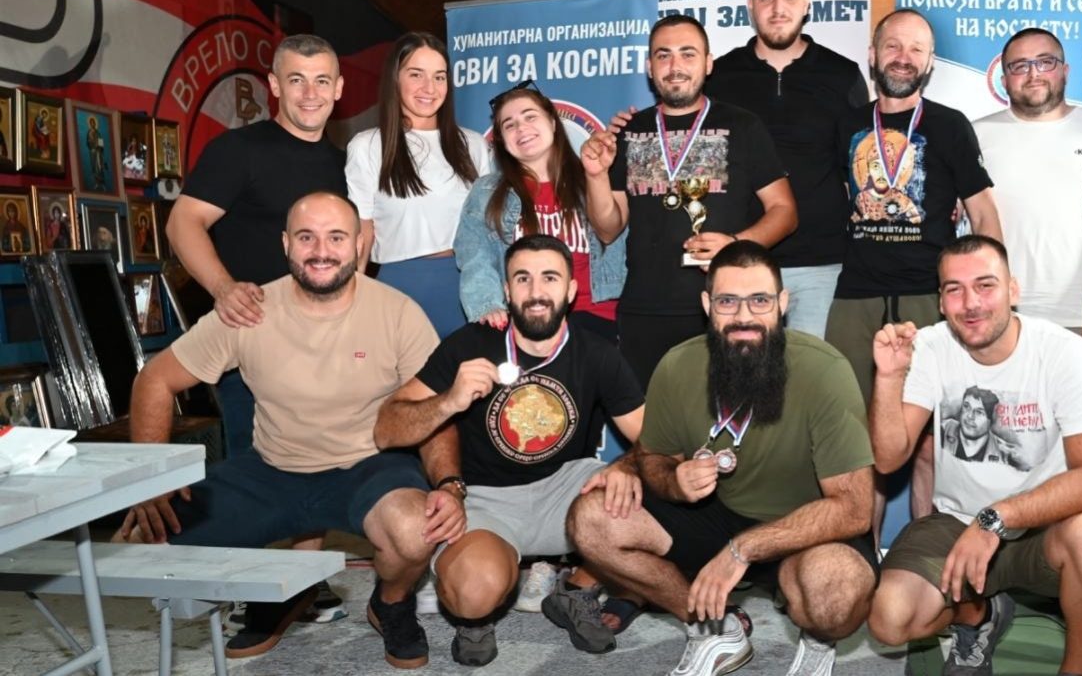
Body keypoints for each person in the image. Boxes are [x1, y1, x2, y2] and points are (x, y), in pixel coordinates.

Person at [117, 193, 453, 668]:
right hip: (273, 469)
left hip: (367, 466)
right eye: (306, 237)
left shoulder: (398, 312)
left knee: (417, 529)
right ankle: (289, 589)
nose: (321, 251)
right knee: (133, 548)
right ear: (285, 244)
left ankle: (391, 603)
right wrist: (151, 480)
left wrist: (448, 484)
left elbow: (435, 411)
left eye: (336, 237)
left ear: (359, 244)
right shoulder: (250, 309)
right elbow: (154, 380)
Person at [568, 241, 876, 676]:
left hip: (803, 529)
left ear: (782, 303)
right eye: (728, 302)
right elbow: (653, 457)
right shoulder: (677, 365)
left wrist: (742, 550)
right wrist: (673, 481)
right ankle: (712, 628)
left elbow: (855, 508)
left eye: (759, 301)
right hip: (717, 516)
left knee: (835, 596)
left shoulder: (826, 370)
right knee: (591, 519)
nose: (744, 317)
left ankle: (817, 637)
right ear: (707, 305)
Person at [375, 235, 645, 666]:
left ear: (571, 290)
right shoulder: (470, 344)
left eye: (550, 278)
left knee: (657, 500)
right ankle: (476, 619)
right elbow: (386, 429)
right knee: (474, 591)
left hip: (564, 491)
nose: (536, 291)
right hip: (485, 499)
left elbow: (654, 439)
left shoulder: (596, 352)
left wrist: (627, 467)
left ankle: (576, 591)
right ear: (506, 289)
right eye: (523, 278)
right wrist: (449, 401)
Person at [866, 235, 1082, 676]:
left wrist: (997, 518)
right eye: (954, 289)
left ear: (1013, 290)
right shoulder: (929, 347)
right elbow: (889, 460)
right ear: (941, 301)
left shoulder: (1067, 353)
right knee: (890, 618)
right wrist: (889, 378)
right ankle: (979, 616)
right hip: (956, 523)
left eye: (985, 285)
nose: (971, 303)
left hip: (1045, 529)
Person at [581, 15, 798, 389]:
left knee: (728, 416)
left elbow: (785, 212)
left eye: (688, 54)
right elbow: (607, 228)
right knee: (651, 423)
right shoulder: (628, 132)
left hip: (725, 308)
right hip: (644, 309)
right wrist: (595, 175)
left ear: (708, 63)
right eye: (663, 55)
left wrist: (736, 245)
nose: (675, 66)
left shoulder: (743, 125)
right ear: (649, 67)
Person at [167, 34, 347, 454]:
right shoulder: (238, 150)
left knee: (328, 472)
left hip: (329, 352)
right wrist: (223, 288)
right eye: (297, 80)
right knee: (258, 477)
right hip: (254, 350)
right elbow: (182, 223)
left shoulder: (348, 165)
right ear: (275, 85)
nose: (310, 93)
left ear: (338, 89)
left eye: (322, 81)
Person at [825, 9, 1001, 410]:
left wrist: (988, 291)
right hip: (856, 296)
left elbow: (984, 214)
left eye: (916, 49)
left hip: (929, 296)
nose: (903, 57)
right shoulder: (846, 124)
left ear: (930, 62)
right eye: (893, 46)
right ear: (873, 54)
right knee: (845, 416)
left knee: (933, 421)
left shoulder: (950, 125)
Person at [703, 0, 870, 338]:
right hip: (740, 267)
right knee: (741, 373)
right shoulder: (719, 78)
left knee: (814, 372)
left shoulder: (842, 75)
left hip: (822, 266)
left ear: (807, 2)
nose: (778, 8)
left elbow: (863, 168)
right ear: (750, 5)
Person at [972, 28, 1082, 329]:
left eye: (1045, 62)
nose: (1033, 73)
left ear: (1065, 71)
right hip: (1003, 318)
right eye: (1020, 65)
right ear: (1004, 79)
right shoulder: (974, 136)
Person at [346, 31, 489, 339]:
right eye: (416, 74)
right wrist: (351, 295)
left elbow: (489, 229)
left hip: (468, 288)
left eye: (439, 77)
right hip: (399, 288)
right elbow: (363, 228)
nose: (430, 87)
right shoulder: (367, 146)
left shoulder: (474, 145)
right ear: (394, 79)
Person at [456, 83, 625, 341]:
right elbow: (475, 255)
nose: (521, 128)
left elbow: (620, 236)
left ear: (553, 123)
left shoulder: (595, 176)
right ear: (501, 140)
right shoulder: (486, 192)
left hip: (596, 319)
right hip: (526, 321)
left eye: (530, 116)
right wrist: (487, 305)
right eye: (509, 125)